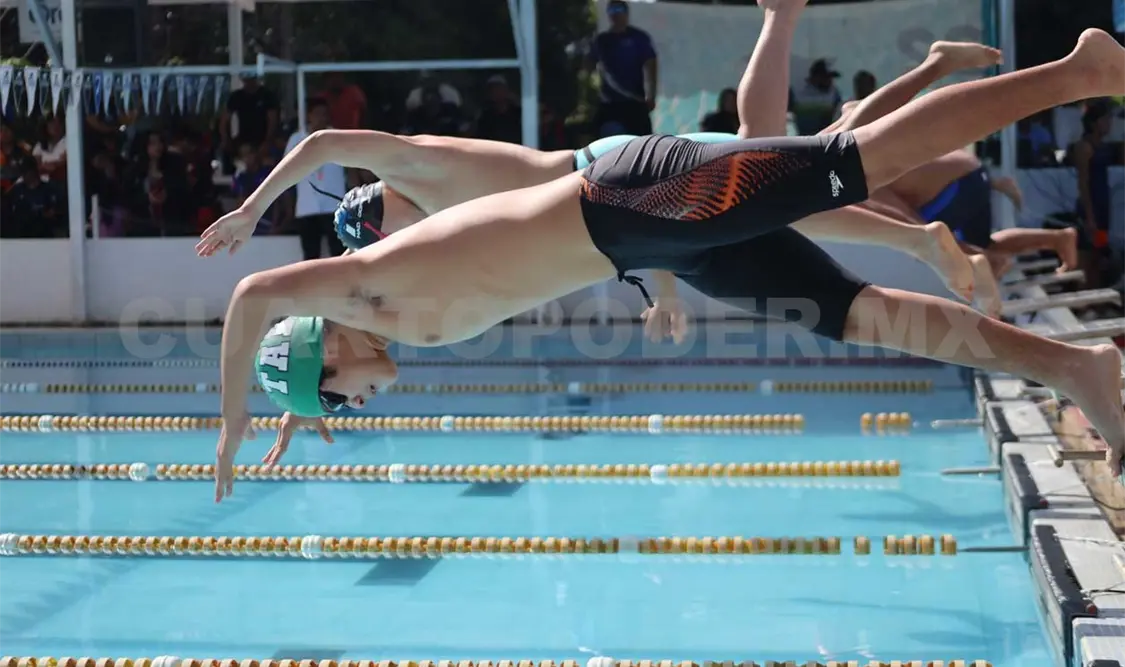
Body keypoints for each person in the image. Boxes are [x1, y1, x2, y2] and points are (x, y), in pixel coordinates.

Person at [201, 28, 1125, 502]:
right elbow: (286, 340)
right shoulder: (381, 318)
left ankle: (1081, 71)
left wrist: (237, 421)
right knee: (863, 314)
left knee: (857, 160)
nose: (355, 409)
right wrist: (291, 404)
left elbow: (252, 296)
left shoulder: (366, 284)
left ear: (327, 353)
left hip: (636, 195)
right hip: (651, 244)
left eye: (335, 398)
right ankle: (1079, 370)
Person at [283, 98, 348, 259]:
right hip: (307, 207)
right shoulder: (297, 139)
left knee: (339, 254)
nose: (322, 118)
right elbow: (285, 172)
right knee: (310, 256)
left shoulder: (338, 137)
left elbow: (351, 169)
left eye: (325, 114)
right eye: (317, 114)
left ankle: (339, 285)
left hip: (335, 206)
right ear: (309, 116)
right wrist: (289, 209)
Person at [588, 0, 658, 137]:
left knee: (641, 143)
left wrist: (651, 94)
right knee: (607, 142)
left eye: (619, 11)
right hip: (609, 103)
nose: (616, 15)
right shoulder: (602, 40)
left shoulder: (638, 37)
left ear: (626, 13)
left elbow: (651, 64)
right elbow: (588, 65)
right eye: (612, 11)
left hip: (635, 101)